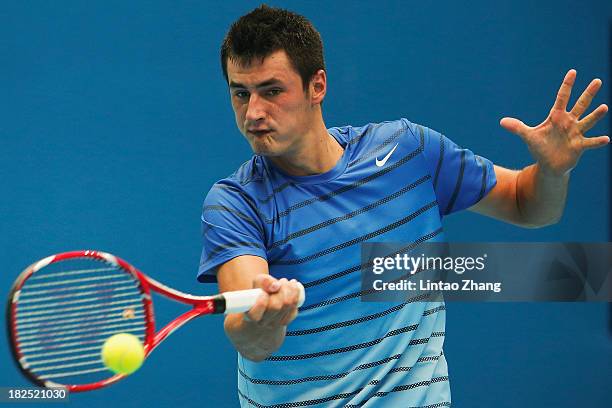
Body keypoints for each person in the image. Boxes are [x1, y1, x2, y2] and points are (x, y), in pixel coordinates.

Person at [198, 5, 609, 407]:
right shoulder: (236, 203)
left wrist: (553, 172)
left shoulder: (407, 151)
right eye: (240, 93)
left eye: (271, 91)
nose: (253, 112)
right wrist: (266, 318)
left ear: (317, 86)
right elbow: (248, 335)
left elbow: (527, 205)